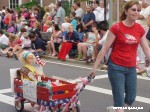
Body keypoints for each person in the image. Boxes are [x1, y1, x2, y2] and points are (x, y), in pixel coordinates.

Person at [89, 1, 150, 112]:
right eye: (133, 9)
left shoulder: (140, 29)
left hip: (131, 68)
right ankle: (118, 108)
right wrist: (94, 68)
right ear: (126, 11)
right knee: (119, 99)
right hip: (116, 67)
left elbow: (146, 49)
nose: (136, 12)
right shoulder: (116, 28)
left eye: (138, 10)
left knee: (131, 98)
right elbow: (105, 48)